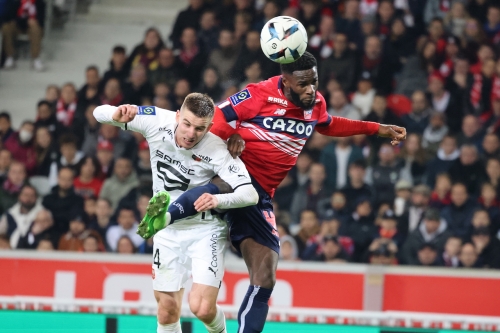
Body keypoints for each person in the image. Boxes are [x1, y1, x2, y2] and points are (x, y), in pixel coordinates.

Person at [93, 93, 259, 333]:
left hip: (205, 229)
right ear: (178, 116)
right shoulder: (156, 120)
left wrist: (217, 199)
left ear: (210, 127)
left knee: (202, 308)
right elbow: (99, 112)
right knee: (167, 309)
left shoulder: (217, 149)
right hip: (165, 225)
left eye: (200, 129)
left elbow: (249, 194)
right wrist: (116, 114)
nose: (191, 134)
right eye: (187, 124)